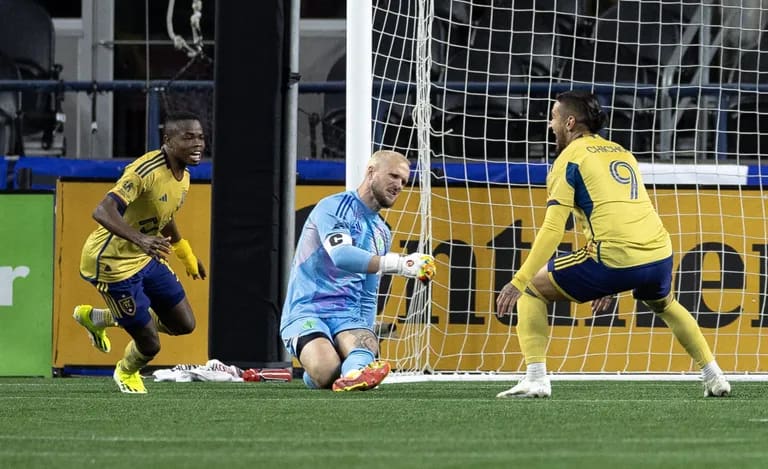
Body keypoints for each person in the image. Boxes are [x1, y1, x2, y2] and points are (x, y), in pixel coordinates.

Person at [495, 91, 731, 398]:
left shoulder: (569, 159)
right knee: (666, 305)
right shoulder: (620, 151)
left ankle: (536, 378)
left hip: (614, 258)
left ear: (569, 122)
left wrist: (518, 279)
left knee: (532, 290)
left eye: (553, 117)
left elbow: (554, 228)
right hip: (658, 253)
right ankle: (714, 375)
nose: (550, 124)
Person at [73, 111, 207, 394]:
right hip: (111, 264)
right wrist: (142, 241)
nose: (197, 144)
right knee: (150, 344)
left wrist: (186, 254)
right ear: (168, 140)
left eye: (201, 137)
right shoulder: (143, 171)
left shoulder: (183, 175)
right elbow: (102, 210)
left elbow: (163, 214)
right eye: (188, 137)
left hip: (144, 257)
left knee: (184, 324)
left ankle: (97, 318)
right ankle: (126, 370)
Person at [280, 150, 436, 392]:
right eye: (393, 176)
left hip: (347, 315)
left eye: (404, 181)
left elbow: (368, 292)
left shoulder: (382, 232)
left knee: (365, 344)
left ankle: (354, 373)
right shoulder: (334, 207)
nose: (399, 186)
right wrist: (401, 264)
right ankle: (333, 372)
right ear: (371, 172)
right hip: (308, 309)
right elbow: (342, 256)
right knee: (325, 370)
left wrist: (365, 334)